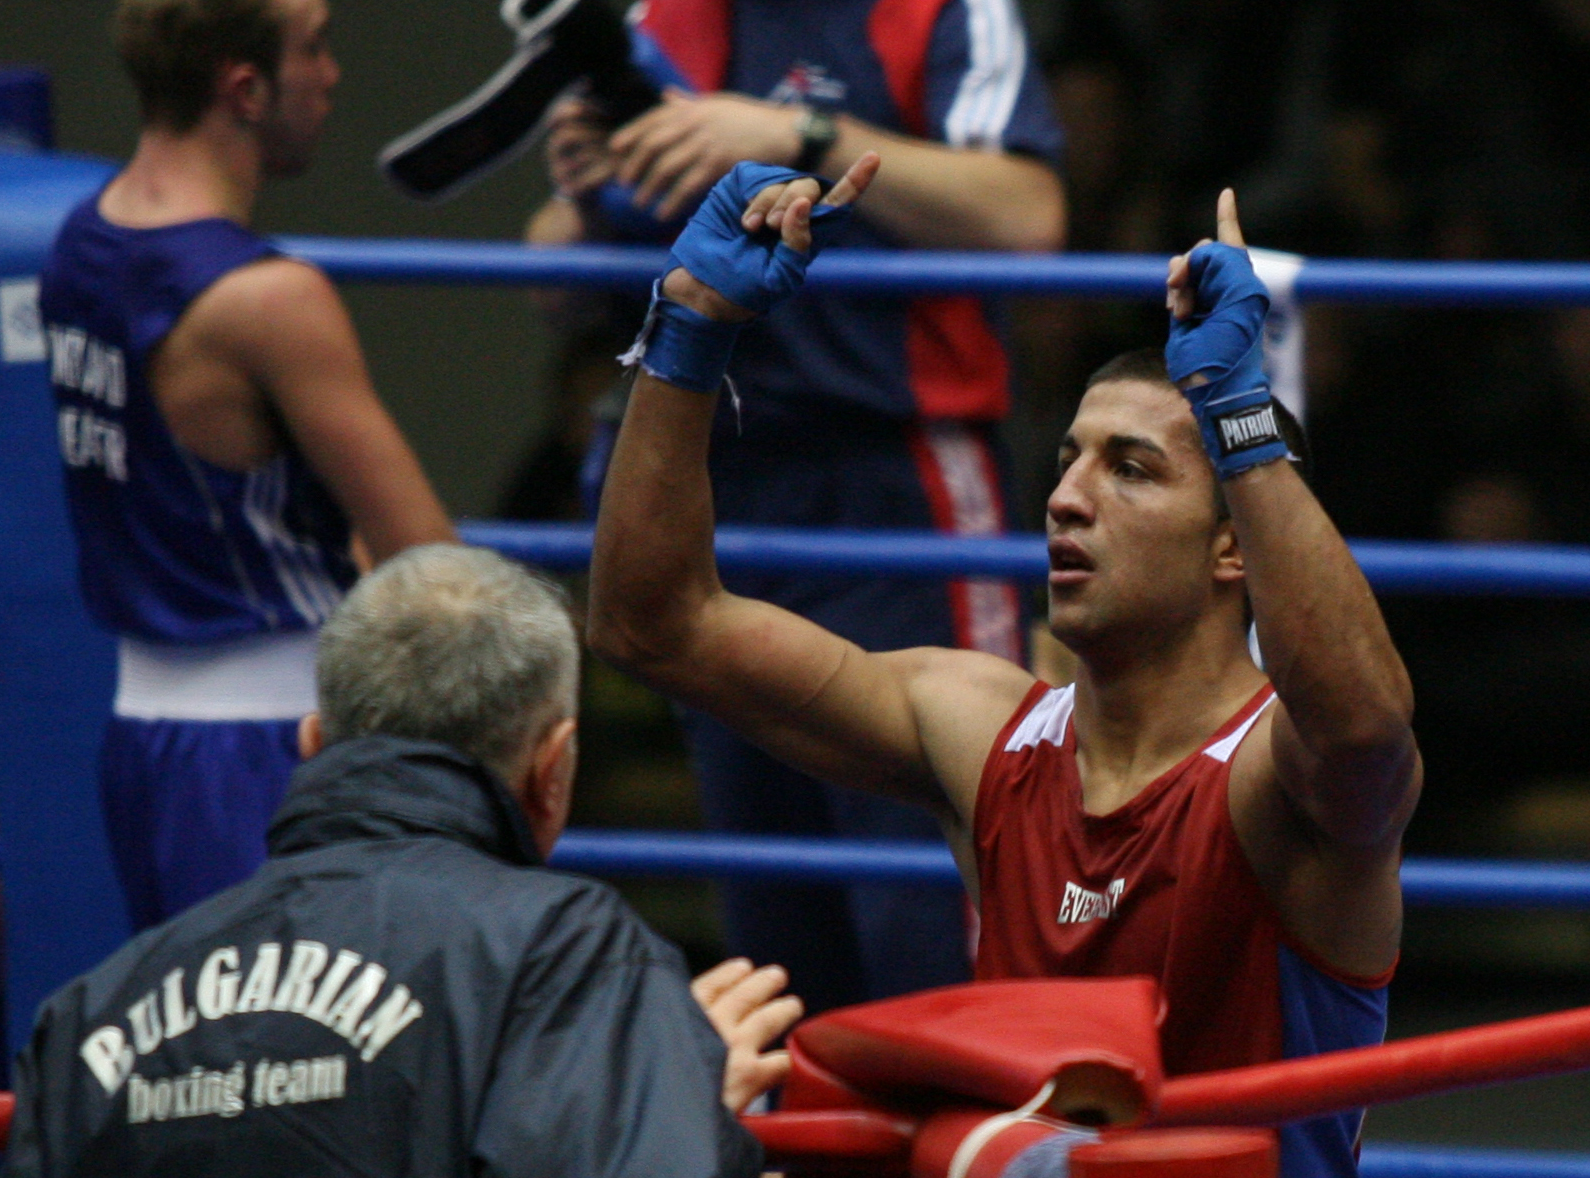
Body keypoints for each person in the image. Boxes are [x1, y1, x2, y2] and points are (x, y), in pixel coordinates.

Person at [589, 159, 1420, 1178]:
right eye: (1067, 457)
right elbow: (654, 623)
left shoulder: (1268, 775)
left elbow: (1364, 730)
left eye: (1128, 467)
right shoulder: (980, 731)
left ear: (1230, 545)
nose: (1065, 497)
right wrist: (688, 327)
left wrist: (1239, 417)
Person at [529, 0, 1067, 1013]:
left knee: (940, 888)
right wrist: (588, 188)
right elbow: (552, 279)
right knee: (773, 910)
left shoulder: (943, 12)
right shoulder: (658, 15)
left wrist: (796, 135)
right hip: (717, 475)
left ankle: (982, 1153)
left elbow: (1027, 213)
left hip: (892, 480)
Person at [3, 543, 792, 1178]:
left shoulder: (90, 1009)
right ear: (553, 772)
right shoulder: (564, 954)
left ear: (310, 744)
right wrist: (661, 1107)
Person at [40, 0, 459, 930]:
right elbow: (428, 563)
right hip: (272, 749)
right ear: (243, 87)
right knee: (304, 1059)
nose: (332, 76)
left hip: (144, 738)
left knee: (199, 1059)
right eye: (315, 48)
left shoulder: (79, 245)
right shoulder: (265, 298)